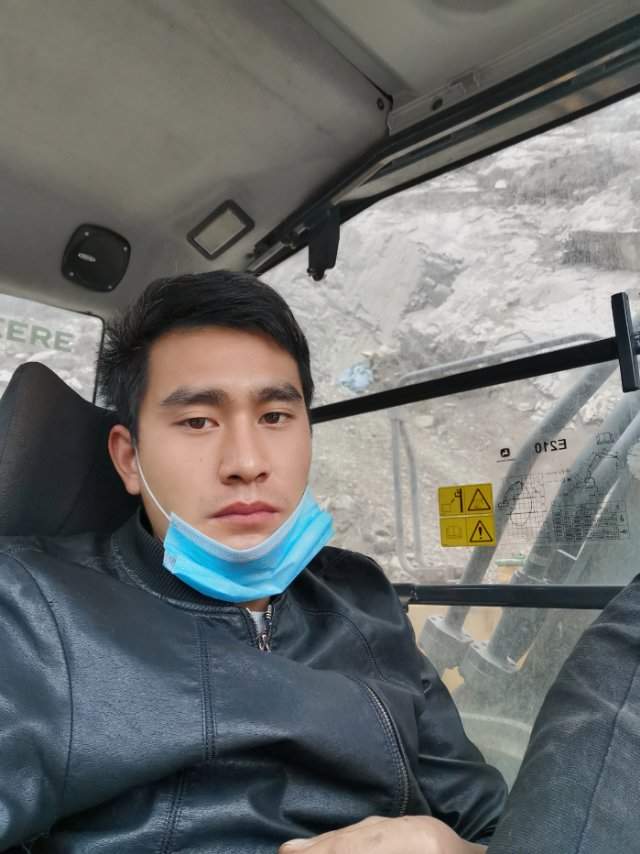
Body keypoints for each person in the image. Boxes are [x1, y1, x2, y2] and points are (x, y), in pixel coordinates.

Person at [0, 271, 506, 853]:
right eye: (198, 421)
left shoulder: (363, 595)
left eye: (275, 417)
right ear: (129, 459)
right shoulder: (31, 607)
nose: (247, 462)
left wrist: (450, 848)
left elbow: (497, 824)